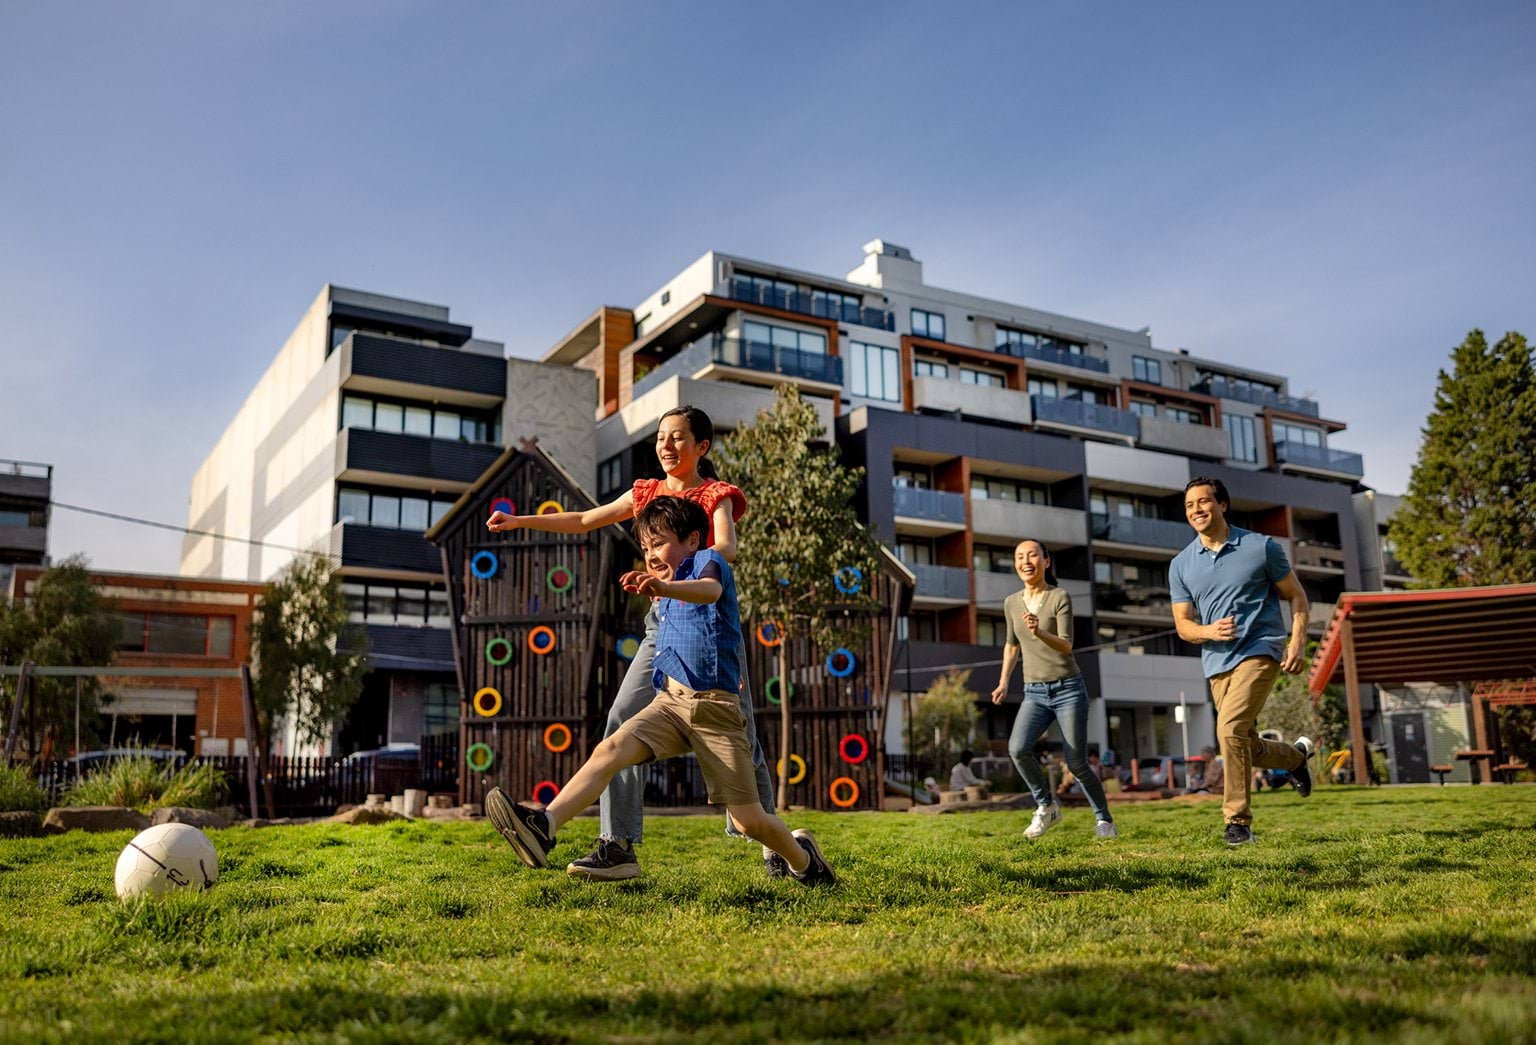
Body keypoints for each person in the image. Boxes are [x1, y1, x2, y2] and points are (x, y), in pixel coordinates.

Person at [486, 405, 778, 880]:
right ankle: (617, 845)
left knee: (743, 737)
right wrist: (520, 522)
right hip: (660, 626)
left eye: (678, 438)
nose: (667, 445)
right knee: (622, 716)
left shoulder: (715, 495)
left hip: (708, 629)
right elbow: (585, 520)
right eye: (662, 437)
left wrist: (680, 569)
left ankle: (774, 852)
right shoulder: (646, 493)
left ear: (701, 447)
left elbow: (728, 548)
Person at [484, 497, 834, 886]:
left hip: (714, 711)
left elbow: (710, 591)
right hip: (668, 706)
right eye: (646, 547)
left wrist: (666, 584)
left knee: (748, 820)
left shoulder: (707, 563)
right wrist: (660, 589)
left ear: (692, 540)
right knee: (610, 750)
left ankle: (804, 860)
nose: (650, 554)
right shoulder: (663, 596)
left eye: (660, 543)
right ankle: (543, 825)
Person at [1170, 476, 1314, 848]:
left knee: (1229, 731)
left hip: (1260, 648)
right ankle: (1296, 760)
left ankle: (1238, 822)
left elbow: (1296, 597)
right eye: (1189, 506)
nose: (1196, 510)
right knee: (1244, 742)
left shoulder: (1260, 547)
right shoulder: (1182, 564)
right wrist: (1209, 632)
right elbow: (1184, 626)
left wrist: (1296, 642)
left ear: (1222, 505)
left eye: (1203, 502)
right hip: (1217, 662)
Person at [991, 538, 1117, 840]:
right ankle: (1047, 806)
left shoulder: (1059, 596)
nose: (1026, 561)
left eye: (1032, 555)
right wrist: (1003, 681)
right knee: (1017, 749)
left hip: (1068, 689)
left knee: (1075, 761)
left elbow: (1066, 645)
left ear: (1046, 562)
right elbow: (1011, 645)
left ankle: (1104, 820)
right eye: (1020, 556)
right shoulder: (1011, 602)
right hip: (1034, 691)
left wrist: (1039, 630)